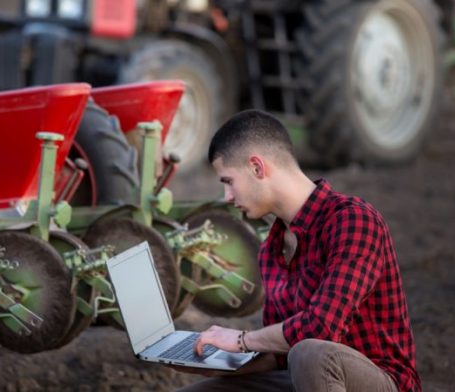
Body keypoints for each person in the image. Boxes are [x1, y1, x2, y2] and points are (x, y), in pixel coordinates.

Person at [174, 110, 420, 392]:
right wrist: (206, 360)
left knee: (310, 353)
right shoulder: (271, 250)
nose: (227, 198)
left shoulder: (352, 220)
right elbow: (279, 356)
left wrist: (241, 339)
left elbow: (320, 329)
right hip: (303, 378)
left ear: (257, 167)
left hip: (381, 382)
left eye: (228, 181)